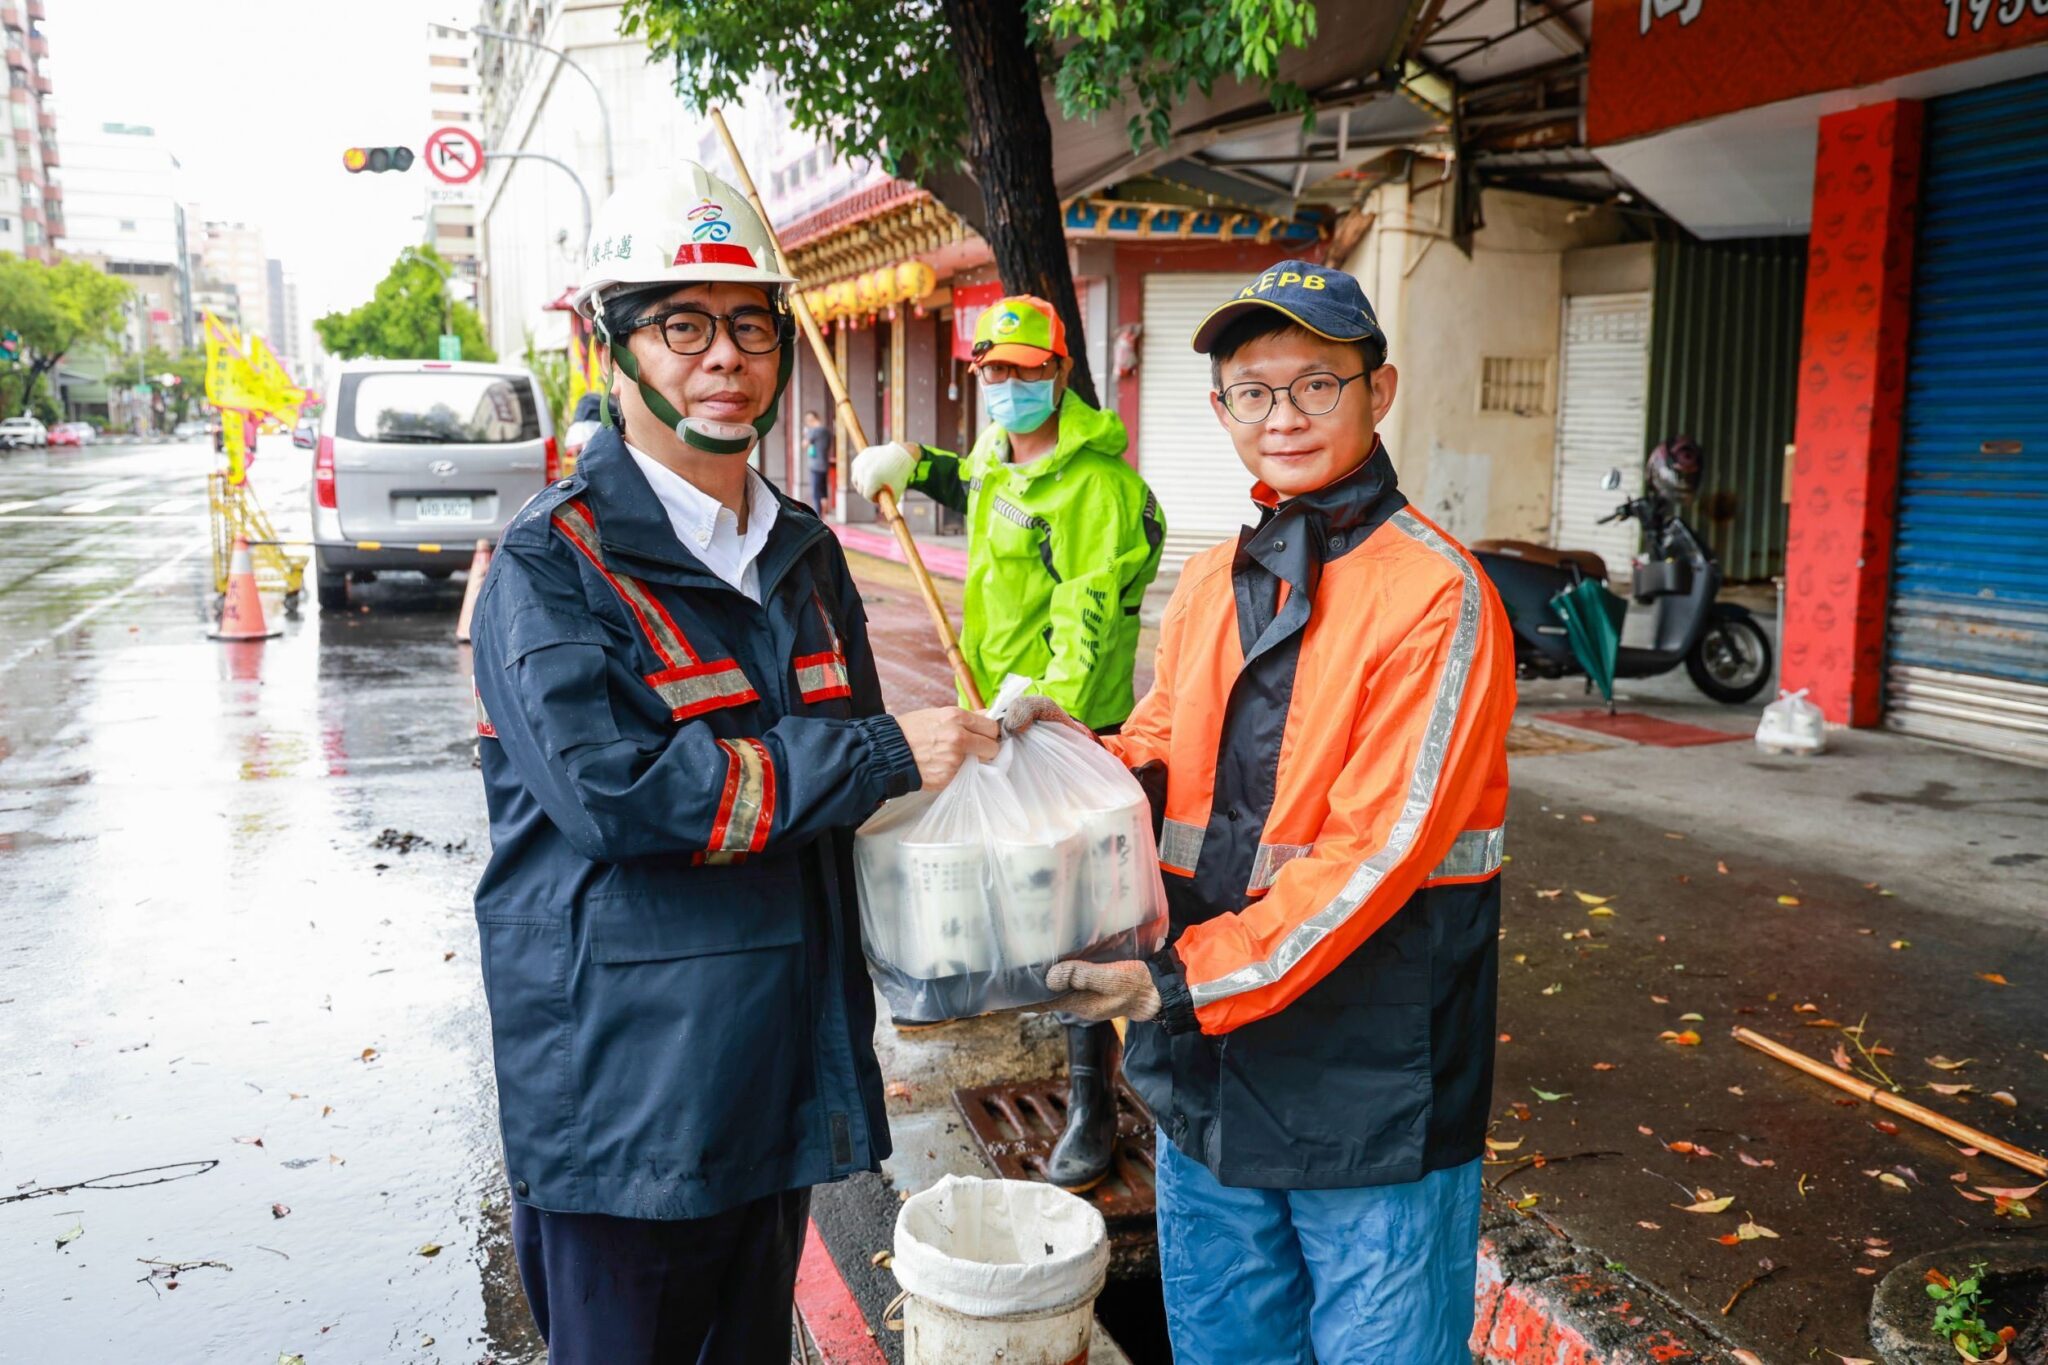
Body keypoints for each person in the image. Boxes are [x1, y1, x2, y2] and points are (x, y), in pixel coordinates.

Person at [467, 165, 999, 1364]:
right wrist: (874, 756)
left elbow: (856, 787)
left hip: (779, 1068)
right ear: (617, 353)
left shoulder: (806, 554)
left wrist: (993, 798)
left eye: (751, 325)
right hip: (629, 1098)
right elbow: (616, 794)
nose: (725, 357)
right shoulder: (552, 565)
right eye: (683, 325)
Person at [1011, 261, 1516, 1363]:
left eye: (1314, 385)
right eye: (1253, 390)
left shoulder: (1436, 593)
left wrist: (1178, 983)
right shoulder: (1208, 579)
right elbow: (1159, 753)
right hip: (1209, 1084)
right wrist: (1065, 759)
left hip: (1370, 1087)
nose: (1280, 416)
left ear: (1376, 393)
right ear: (1219, 411)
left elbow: (1374, 854)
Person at [849, 294, 1164, 1193]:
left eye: (1026, 371)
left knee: (1089, 917)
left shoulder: (1096, 486)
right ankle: (1030, 1023)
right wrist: (915, 464)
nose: (1008, 387)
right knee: (1026, 895)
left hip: (1067, 725)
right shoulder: (1000, 454)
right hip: (988, 710)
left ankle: (1096, 1098)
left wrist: (1044, 699)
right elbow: (980, 483)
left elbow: (1090, 615)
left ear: (1060, 374)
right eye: (994, 372)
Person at [802, 407, 834, 514]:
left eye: (807, 421)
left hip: (815, 465)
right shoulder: (827, 431)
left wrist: (806, 433)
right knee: (824, 491)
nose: (807, 423)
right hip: (824, 464)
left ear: (812, 419)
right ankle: (825, 514)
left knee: (816, 493)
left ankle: (818, 515)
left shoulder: (814, 431)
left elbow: (805, 445)